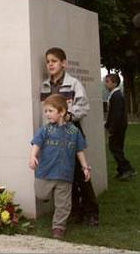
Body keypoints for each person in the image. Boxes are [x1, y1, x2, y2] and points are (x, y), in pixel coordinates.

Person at [40, 47, 99, 226]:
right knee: (65, 176)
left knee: (81, 175)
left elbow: (84, 106)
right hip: (53, 137)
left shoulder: (73, 84)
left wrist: (69, 116)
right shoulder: (44, 86)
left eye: (54, 61)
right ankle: (75, 211)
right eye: (48, 61)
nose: (50, 64)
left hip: (71, 133)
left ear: (63, 63)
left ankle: (92, 212)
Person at [30, 94, 91, 239]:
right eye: (46, 111)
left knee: (63, 204)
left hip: (65, 173)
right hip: (46, 171)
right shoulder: (45, 130)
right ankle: (48, 195)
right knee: (41, 193)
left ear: (62, 112)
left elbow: (79, 150)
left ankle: (58, 227)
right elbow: (37, 143)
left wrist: (85, 167)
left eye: (50, 111)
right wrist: (33, 156)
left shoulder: (74, 132)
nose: (47, 114)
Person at [104, 73, 136, 180]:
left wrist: (112, 128)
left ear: (114, 83)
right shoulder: (114, 94)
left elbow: (116, 114)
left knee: (114, 148)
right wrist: (107, 124)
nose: (105, 84)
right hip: (118, 126)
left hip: (118, 127)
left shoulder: (116, 95)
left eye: (107, 81)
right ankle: (121, 170)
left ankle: (127, 168)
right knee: (118, 148)